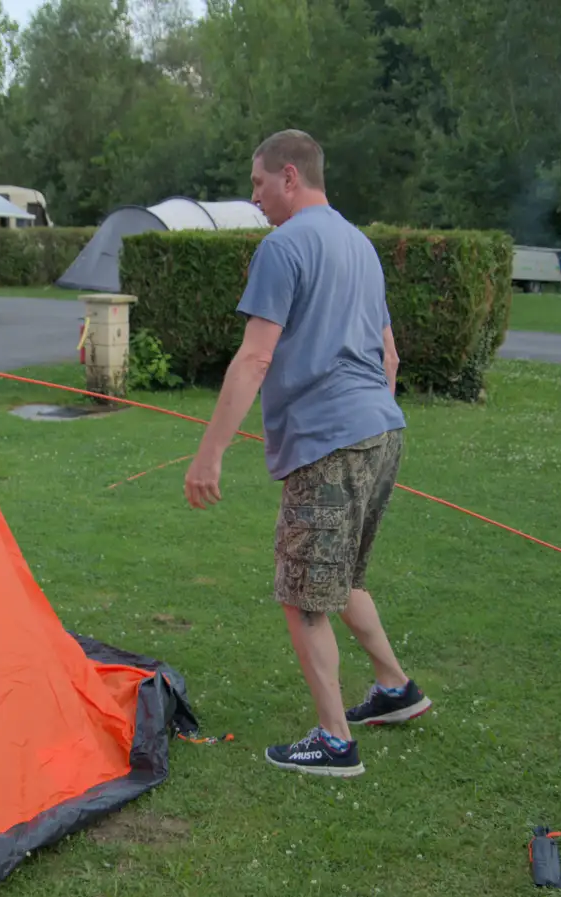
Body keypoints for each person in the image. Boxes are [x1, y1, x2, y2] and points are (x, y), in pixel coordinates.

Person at [182, 129, 430, 778]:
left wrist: (209, 454)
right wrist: (371, 423)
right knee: (342, 577)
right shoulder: (361, 246)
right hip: (383, 429)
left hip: (330, 442)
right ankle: (396, 688)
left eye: (259, 183)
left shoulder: (283, 246)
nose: (254, 196)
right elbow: (390, 356)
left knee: (303, 593)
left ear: (290, 176)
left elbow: (256, 356)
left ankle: (334, 739)